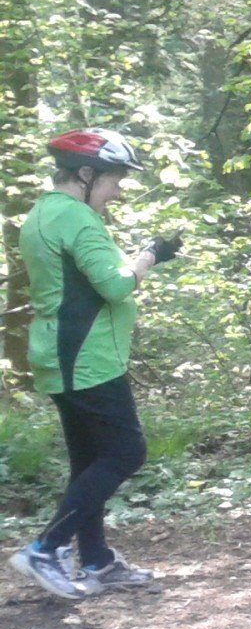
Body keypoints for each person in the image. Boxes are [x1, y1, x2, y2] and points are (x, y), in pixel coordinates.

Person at [9, 129, 176, 600]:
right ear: (85, 174)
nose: (118, 190)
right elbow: (117, 286)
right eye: (114, 180)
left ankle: (97, 561)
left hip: (60, 357)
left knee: (89, 462)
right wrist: (151, 254)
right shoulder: (79, 219)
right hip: (87, 359)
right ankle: (46, 548)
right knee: (127, 452)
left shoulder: (43, 212)